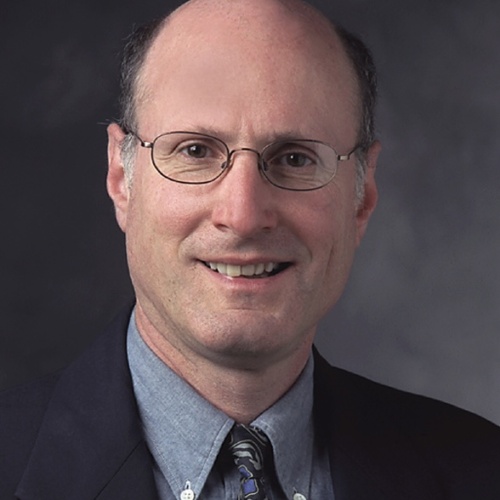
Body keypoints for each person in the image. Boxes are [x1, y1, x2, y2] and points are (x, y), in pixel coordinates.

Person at [2, 0, 500, 498]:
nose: (242, 216)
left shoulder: (481, 470)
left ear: (362, 196)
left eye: (295, 158)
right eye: (195, 150)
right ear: (121, 178)